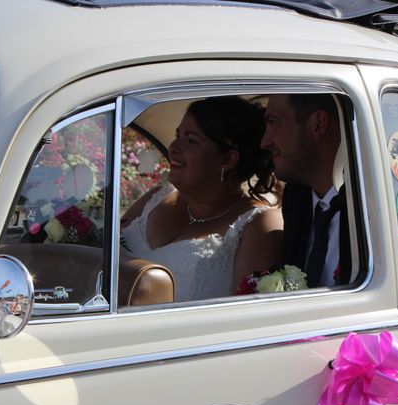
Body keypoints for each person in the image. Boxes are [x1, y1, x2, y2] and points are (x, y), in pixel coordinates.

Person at [121, 96, 283, 302]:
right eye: (177, 135)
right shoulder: (156, 197)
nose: (173, 148)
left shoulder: (258, 225)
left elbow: (247, 318)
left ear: (227, 159)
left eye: (191, 140)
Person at [261, 94, 351, 288]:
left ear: (318, 124)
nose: (264, 142)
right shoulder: (297, 199)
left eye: (273, 122)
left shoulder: (371, 204)